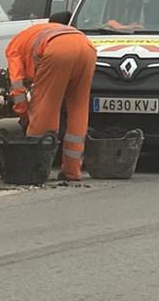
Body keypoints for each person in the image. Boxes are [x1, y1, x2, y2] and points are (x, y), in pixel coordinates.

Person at [5, 12, 97, 181]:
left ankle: (34, 168)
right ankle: (72, 170)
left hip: (57, 50)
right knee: (78, 109)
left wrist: (24, 114)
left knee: (45, 109)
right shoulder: (38, 33)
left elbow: (17, 87)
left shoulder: (13, 47)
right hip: (87, 47)